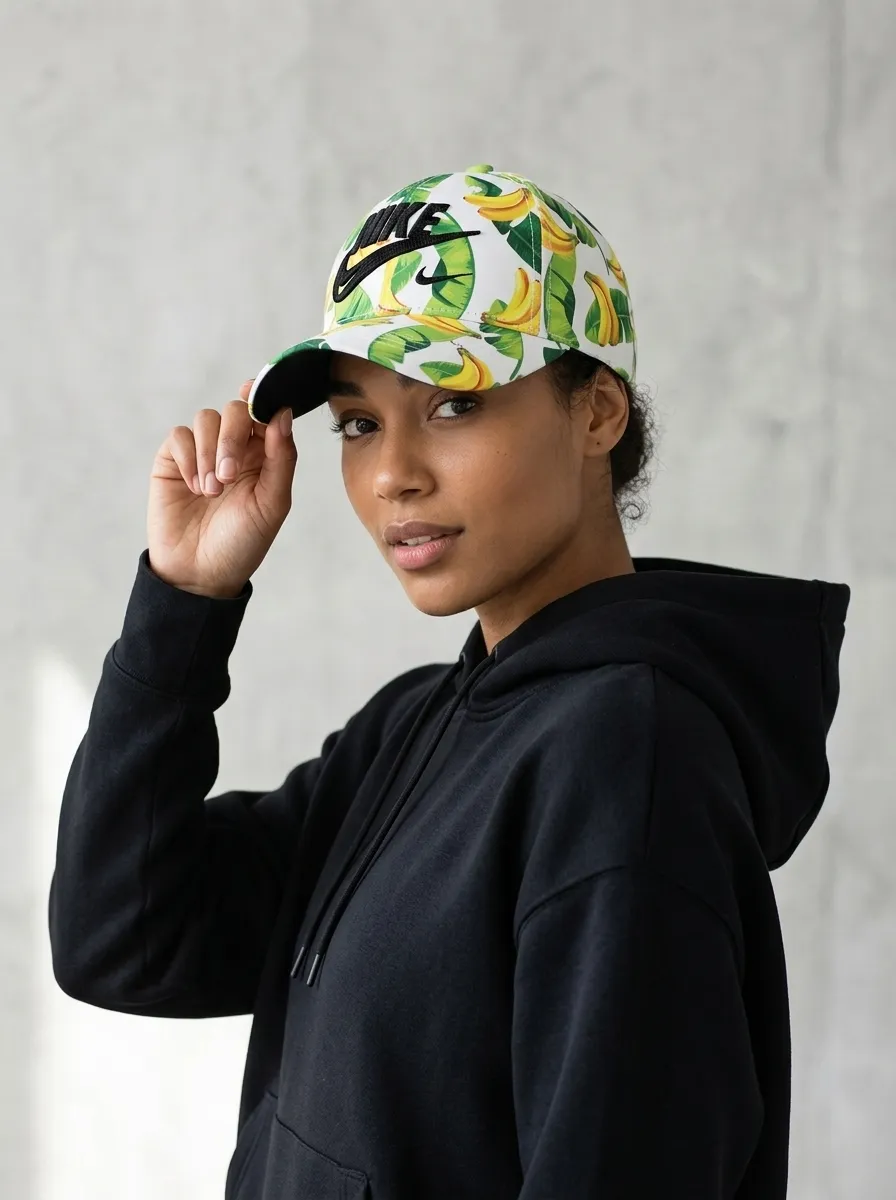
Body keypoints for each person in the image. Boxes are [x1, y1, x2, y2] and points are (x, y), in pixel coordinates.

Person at [48, 165, 851, 1199]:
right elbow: (125, 938)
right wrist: (184, 602)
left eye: (454, 403)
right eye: (358, 423)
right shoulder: (414, 727)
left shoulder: (625, 759)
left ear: (597, 412)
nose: (393, 473)